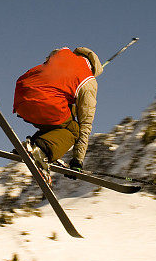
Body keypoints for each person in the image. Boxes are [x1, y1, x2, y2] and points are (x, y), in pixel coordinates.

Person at [13, 47, 102, 179]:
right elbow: (85, 123)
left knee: (65, 116)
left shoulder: (62, 52)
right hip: (45, 103)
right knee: (74, 129)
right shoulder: (89, 81)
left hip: (21, 97)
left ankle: (33, 146)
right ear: (94, 70)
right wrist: (77, 160)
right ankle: (41, 152)